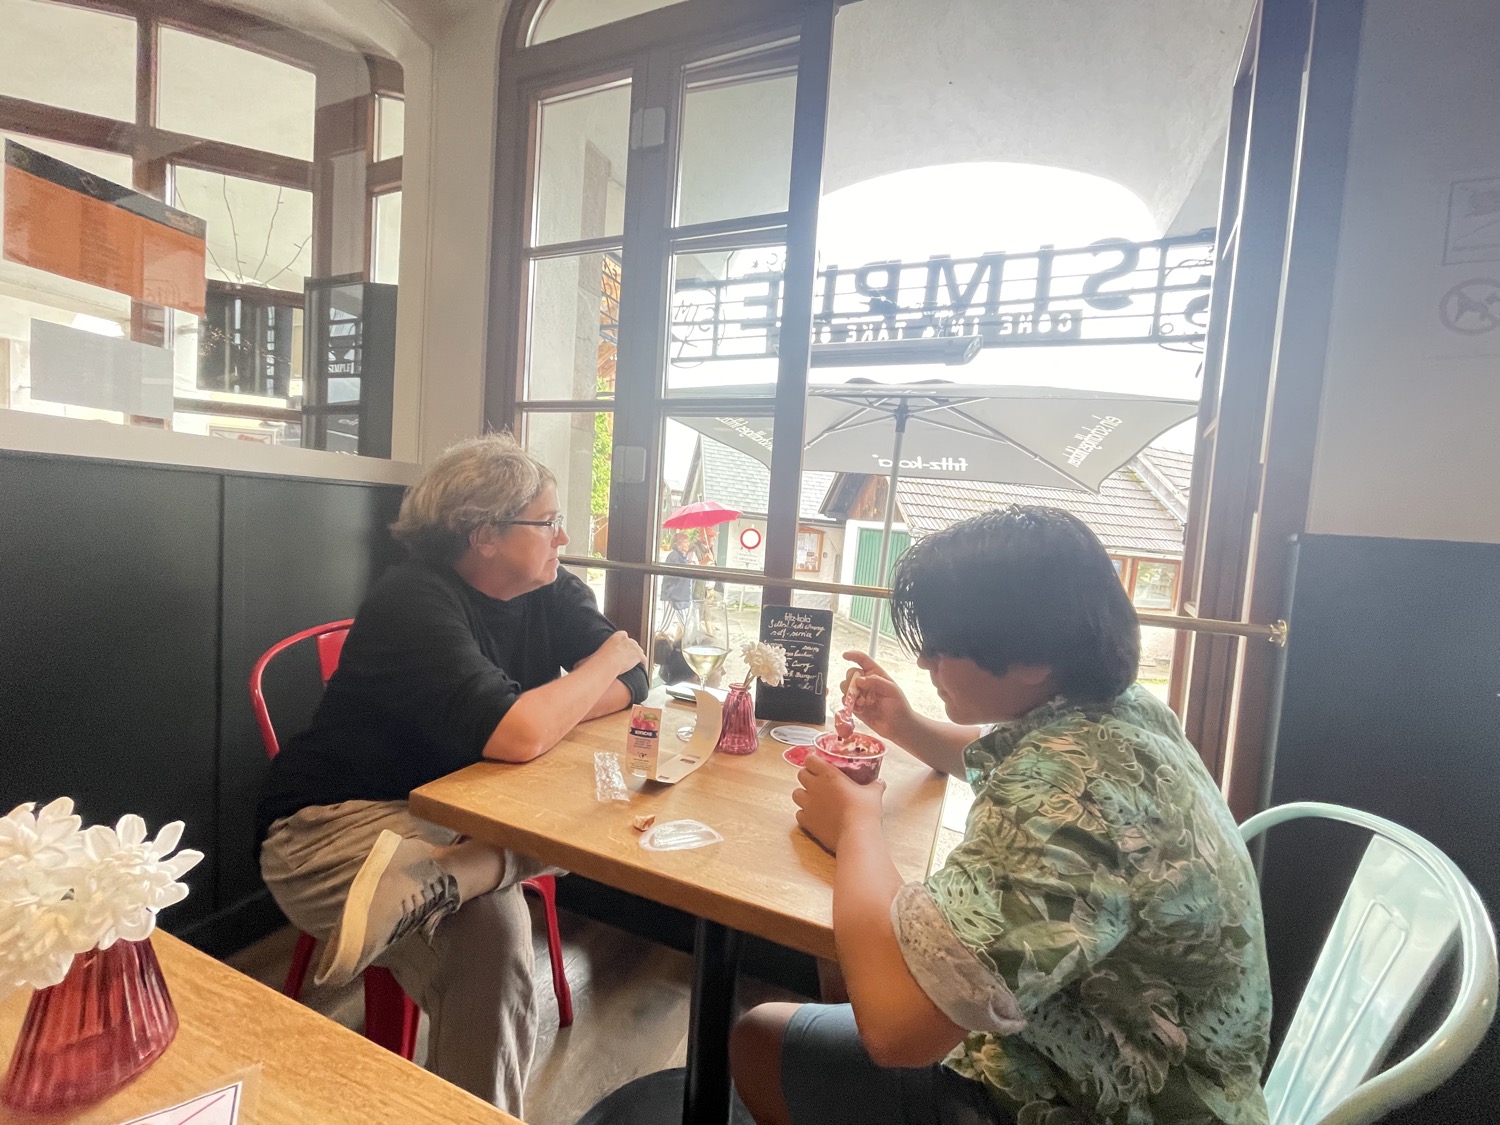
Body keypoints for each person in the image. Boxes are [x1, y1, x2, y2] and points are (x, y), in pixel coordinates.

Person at [730, 506, 1271, 1125]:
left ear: (1031, 658)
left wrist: (856, 826)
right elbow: (1008, 755)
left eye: (941, 647)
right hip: (1185, 1069)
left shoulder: (1071, 795)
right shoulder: (1118, 710)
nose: (926, 664)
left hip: (1114, 1101)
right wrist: (904, 725)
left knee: (760, 1037)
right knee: (850, 957)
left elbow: (897, 1032)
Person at [257, 433, 648, 1115]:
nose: (563, 537)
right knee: (495, 928)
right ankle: (480, 870)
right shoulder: (413, 601)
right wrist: (599, 665)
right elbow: (528, 729)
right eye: (548, 521)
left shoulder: (548, 585)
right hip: (330, 827)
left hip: (460, 818)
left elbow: (635, 680)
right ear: (484, 533)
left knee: (599, 816)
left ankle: (469, 869)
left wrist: (559, 704)